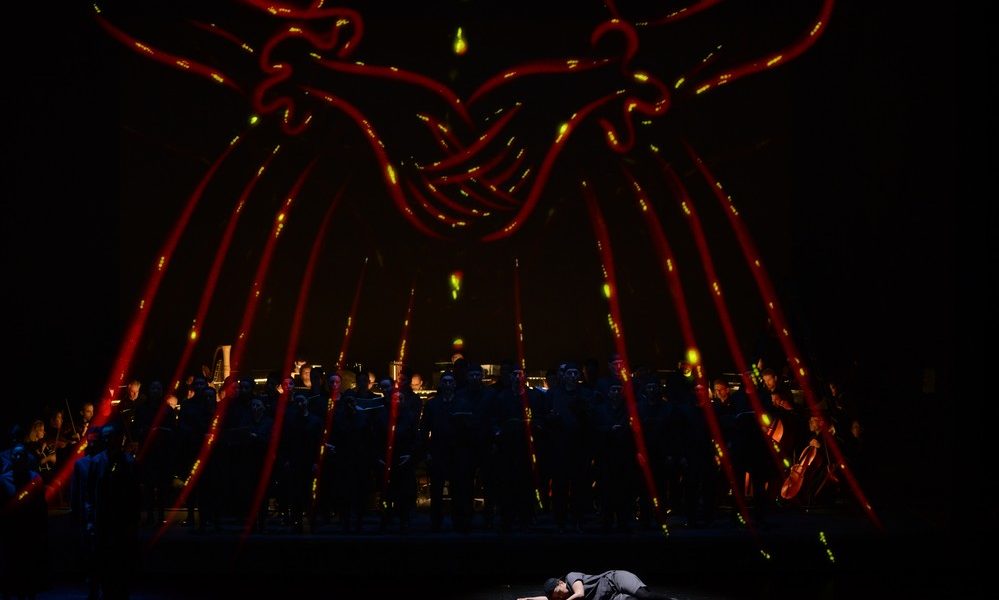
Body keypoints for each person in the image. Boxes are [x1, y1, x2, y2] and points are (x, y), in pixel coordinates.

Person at [519, 570, 677, 600]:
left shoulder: (571, 577)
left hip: (615, 579)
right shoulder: (563, 596)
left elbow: (580, 593)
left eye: (559, 592)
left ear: (560, 582)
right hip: (612, 597)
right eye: (558, 598)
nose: (561, 596)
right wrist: (528, 599)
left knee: (644, 596)